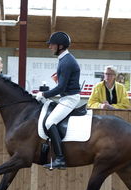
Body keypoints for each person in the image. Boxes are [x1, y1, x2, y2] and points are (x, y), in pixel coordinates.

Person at [35, 32, 81, 170]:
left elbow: (61, 88)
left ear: (60, 46)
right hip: (66, 97)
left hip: (70, 99)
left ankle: (60, 159)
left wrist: (44, 93)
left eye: (52, 44)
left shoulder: (67, 61)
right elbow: (62, 85)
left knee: (50, 122)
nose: (50, 47)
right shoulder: (64, 59)